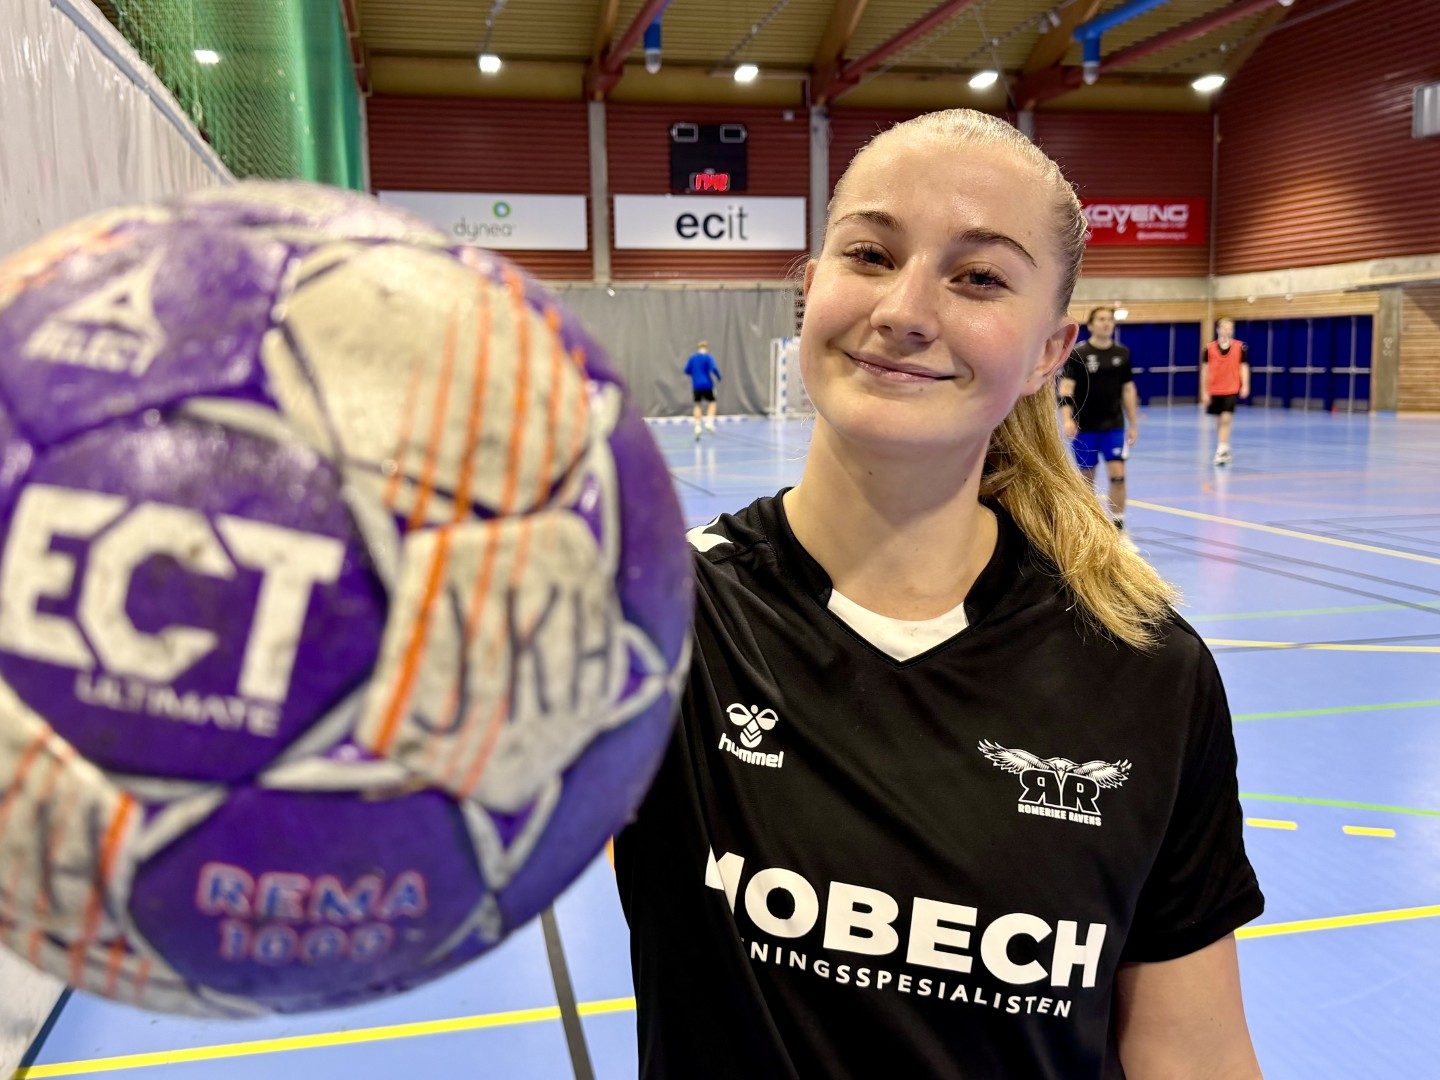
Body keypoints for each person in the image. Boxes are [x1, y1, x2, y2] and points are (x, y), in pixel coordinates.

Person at [615, 109, 1263, 1079]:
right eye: (871, 254)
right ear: (810, 289)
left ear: (1050, 351)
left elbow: (1191, 1052)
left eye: (979, 277)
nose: (905, 308)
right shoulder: (652, 622)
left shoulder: (1148, 674)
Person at [1058, 307, 1139, 538]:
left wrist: (1133, 423)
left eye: (1109, 320)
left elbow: (1128, 389)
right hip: (1085, 427)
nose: (1106, 323)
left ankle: (1118, 526)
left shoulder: (1122, 353)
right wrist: (1067, 419)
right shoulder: (1079, 354)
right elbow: (1066, 389)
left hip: (1113, 426)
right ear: (1091, 325)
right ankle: (1089, 528)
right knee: (1086, 480)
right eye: (1101, 319)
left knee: (1118, 476)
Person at [1201, 318, 1250, 466]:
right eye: (1224, 327)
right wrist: (1204, 391)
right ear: (1218, 329)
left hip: (1231, 388)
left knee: (1226, 418)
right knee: (1219, 420)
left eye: (1230, 328)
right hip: (1215, 388)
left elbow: (1243, 367)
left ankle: (1221, 450)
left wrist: (1245, 385)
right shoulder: (1208, 348)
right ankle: (1224, 446)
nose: (1227, 330)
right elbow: (1204, 371)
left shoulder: (1240, 347)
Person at [685, 339, 722, 439]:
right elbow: (714, 368)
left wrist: (695, 374)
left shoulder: (692, 358)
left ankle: (697, 426)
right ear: (706, 348)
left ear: (698, 348)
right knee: (712, 402)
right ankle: (709, 422)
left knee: (697, 404)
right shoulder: (708, 357)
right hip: (707, 384)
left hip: (696, 385)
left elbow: (686, 370)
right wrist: (719, 377)